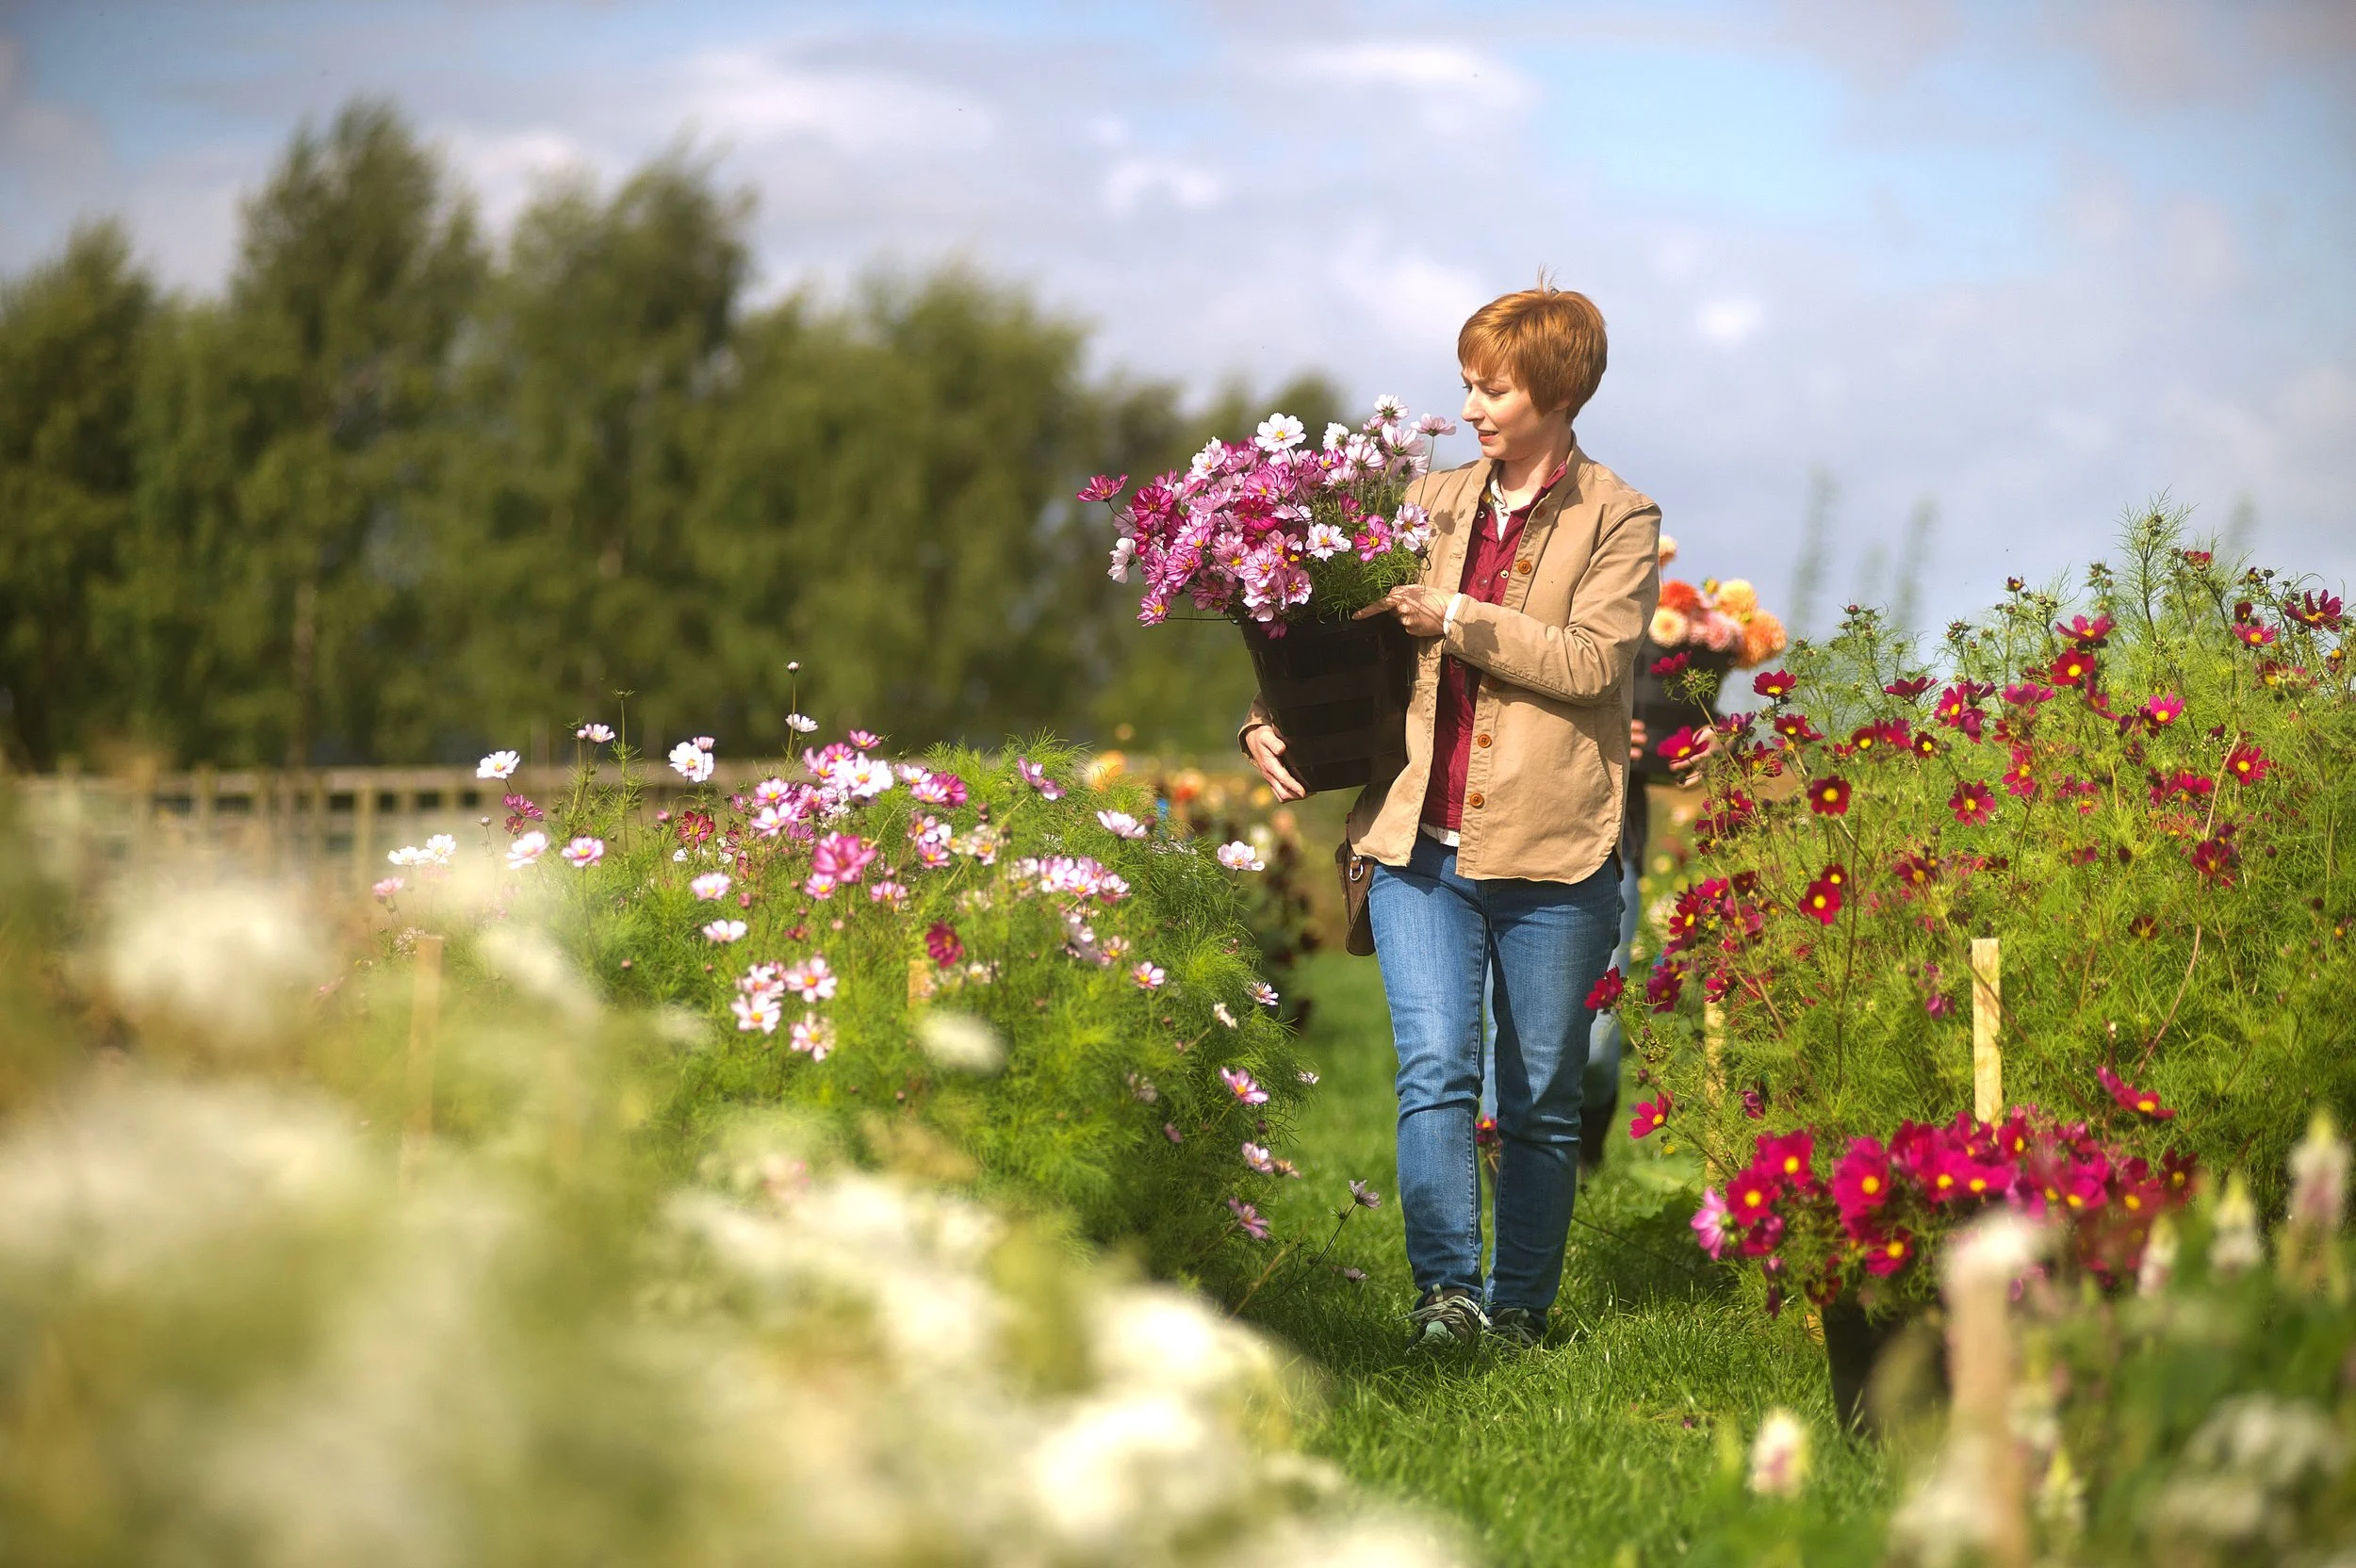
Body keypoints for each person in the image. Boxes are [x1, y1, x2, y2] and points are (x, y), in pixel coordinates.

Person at [1240, 286, 1660, 1350]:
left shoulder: (1621, 518)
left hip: (1556, 851)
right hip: (1416, 841)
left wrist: (1460, 616)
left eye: (1493, 386)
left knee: (1540, 1097)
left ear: (1556, 391)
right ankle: (1445, 1296)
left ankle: (1519, 1306)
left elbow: (1590, 664)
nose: (1470, 404)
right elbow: (1336, 630)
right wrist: (1263, 719)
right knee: (1435, 1068)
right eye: (1467, 381)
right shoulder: (1425, 504)